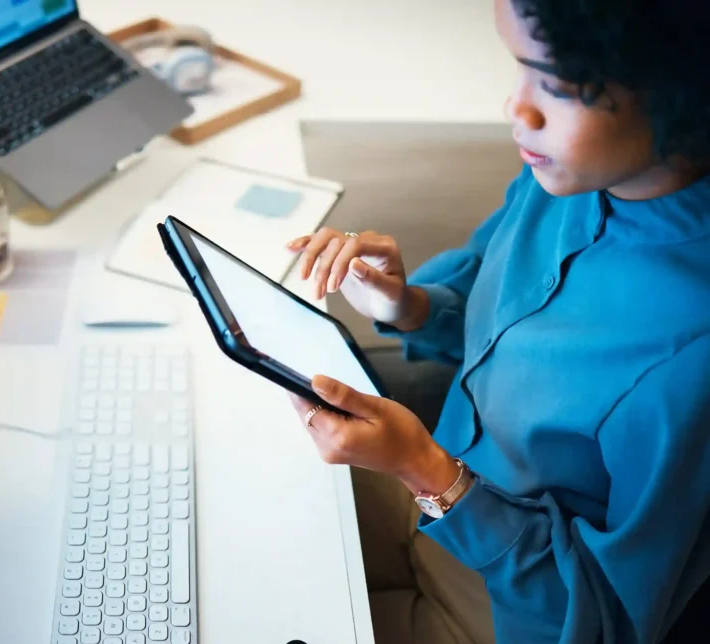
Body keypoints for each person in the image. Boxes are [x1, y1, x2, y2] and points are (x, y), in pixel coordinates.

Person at [286, 1, 710, 642]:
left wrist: (424, 469)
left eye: (557, 86)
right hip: (429, 496)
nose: (516, 109)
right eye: (518, 68)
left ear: (683, 90)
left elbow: (612, 621)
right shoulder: (564, 174)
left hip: (506, 612)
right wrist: (409, 306)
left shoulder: (692, 356)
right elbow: (506, 328)